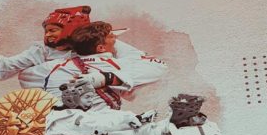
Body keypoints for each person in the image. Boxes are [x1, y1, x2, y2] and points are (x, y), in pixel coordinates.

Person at [22, 21, 168, 108]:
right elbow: (160, 67)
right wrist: (107, 78)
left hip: (64, 124)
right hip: (104, 127)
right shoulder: (118, 65)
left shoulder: (55, 67)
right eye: (112, 37)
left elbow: (25, 76)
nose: (115, 39)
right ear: (100, 48)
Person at [0, 5, 92, 85]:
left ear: (71, 29)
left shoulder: (93, 50)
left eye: (53, 30)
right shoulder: (40, 51)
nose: (48, 35)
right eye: (46, 31)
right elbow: (3, 69)